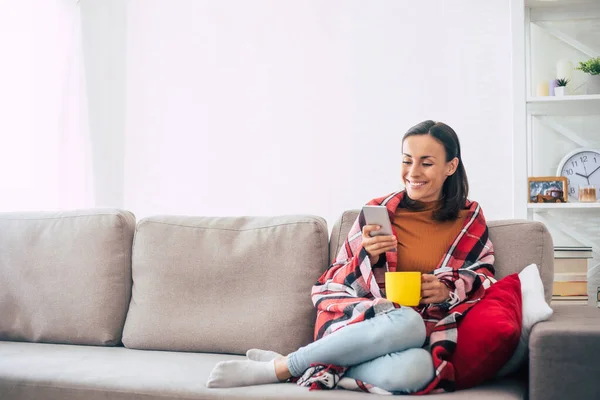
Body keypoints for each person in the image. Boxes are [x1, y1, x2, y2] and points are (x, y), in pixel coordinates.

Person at [206, 120, 495, 394]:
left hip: (423, 332)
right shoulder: (378, 211)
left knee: (418, 371)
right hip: (360, 320)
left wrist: (447, 290)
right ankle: (283, 367)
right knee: (408, 322)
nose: (413, 172)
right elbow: (335, 278)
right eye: (407, 160)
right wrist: (365, 257)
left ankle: (315, 364)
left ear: (451, 166)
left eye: (426, 163)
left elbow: (484, 278)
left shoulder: (468, 219)